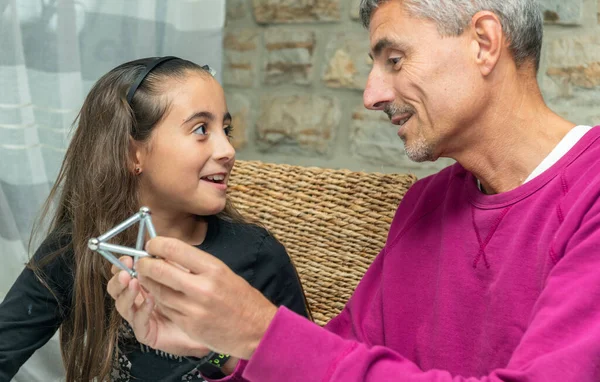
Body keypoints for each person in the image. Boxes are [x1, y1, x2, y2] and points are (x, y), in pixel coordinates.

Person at [108, 1, 600, 381]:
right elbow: (329, 363)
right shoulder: (423, 205)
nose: (371, 95)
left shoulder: (590, 193)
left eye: (394, 58)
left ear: (484, 42)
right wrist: (216, 346)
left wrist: (261, 332)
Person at [0, 57, 310, 382]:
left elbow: (305, 370)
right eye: (201, 129)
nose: (228, 150)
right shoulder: (77, 246)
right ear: (133, 154)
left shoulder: (259, 256)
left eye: (226, 129)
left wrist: (216, 350)